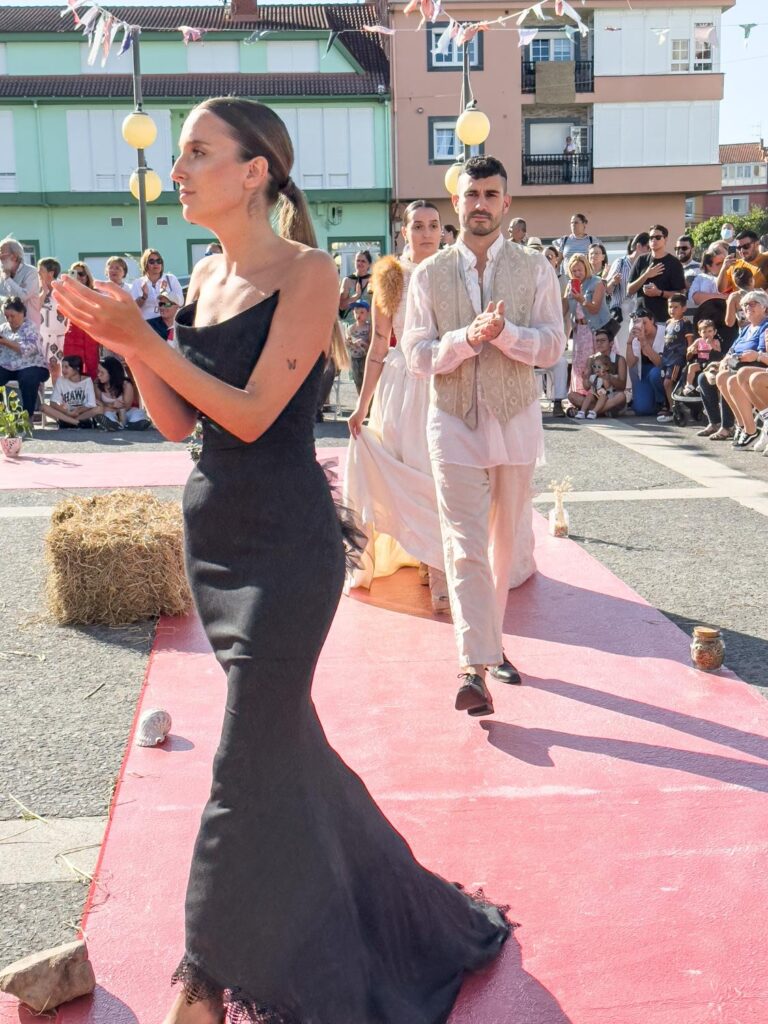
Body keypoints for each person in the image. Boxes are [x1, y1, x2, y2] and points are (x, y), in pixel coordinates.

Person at [53, 96, 511, 1024]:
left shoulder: (308, 274)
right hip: (215, 530)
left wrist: (144, 340)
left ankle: (204, 977)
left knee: (243, 751)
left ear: (256, 170)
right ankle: (406, 910)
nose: (175, 170)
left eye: (196, 153)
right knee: (280, 745)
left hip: (289, 543)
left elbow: (257, 413)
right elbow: (182, 420)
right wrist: (130, 348)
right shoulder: (205, 276)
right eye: (177, 156)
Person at [401, 155, 565, 716]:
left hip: (515, 422)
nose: (480, 205)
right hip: (452, 423)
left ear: (506, 203)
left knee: (504, 546)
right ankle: (473, 667)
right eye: (472, 195)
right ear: (457, 202)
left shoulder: (536, 266)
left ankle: (490, 648)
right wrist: (466, 340)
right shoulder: (427, 274)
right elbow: (415, 354)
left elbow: (552, 346)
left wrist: (506, 334)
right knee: (464, 546)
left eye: (491, 195)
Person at [345, 200, 449, 605]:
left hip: (443, 380)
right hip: (401, 385)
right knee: (409, 470)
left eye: (434, 225)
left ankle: (436, 565)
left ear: (443, 231)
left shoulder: (454, 271)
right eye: (418, 226)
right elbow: (376, 346)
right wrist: (361, 405)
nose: (426, 233)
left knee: (439, 474)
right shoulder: (390, 276)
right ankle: (429, 562)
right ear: (404, 232)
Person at [714, 289, 768, 448]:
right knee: (720, 377)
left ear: (764, 307)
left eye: (753, 303)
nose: (748, 307)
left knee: (738, 377)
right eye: (745, 305)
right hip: (742, 365)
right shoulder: (745, 328)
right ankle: (744, 426)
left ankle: (755, 426)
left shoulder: (765, 326)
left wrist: (756, 356)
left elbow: (760, 353)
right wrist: (724, 360)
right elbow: (732, 349)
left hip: (754, 366)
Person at [563, 252, 610, 410]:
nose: (577, 273)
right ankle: (584, 402)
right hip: (580, 331)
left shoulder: (597, 282)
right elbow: (562, 308)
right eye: (574, 270)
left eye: (580, 270)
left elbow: (595, 308)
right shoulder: (571, 285)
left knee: (598, 366)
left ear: (586, 268)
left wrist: (581, 299)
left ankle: (602, 402)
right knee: (580, 368)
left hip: (596, 331)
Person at [0, 296, 49, 419]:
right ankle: (2, 415)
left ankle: (27, 417)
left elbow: (27, 350)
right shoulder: (3, 328)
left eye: (12, 316)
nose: (9, 319)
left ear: (22, 313)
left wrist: (5, 341)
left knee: (28, 378)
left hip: (33, 365)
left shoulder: (30, 327)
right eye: (7, 316)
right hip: (8, 366)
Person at [627, 224, 686, 325]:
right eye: (651, 238)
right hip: (640, 318)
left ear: (665, 239)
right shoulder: (641, 260)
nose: (654, 240)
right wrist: (646, 275)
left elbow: (680, 295)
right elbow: (629, 290)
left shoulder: (674, 263)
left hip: (663, 319)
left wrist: (659, 292)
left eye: (658, 237)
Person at [606, 232, 650, 359]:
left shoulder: (648, 266)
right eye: (648, 247)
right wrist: (614, 281)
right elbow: (607, 290)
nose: (650, 251)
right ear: (638, 246)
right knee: (624, 351)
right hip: (622, 314)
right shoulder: (621, 263)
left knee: (639, 352)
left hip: (640, 314)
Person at [656, 293, 694, 423]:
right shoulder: (668, 323)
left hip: (677, 359)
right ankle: (672, 406)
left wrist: (689, 356)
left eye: (675, 307)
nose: (672, 310)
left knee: (669, 382)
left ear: (684, 308)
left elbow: (690, 341)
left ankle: (675, 409)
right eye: (670, 307)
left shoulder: (685, 323)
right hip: (667, 358)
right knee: (665, 383)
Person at [131, 249, 184, 337]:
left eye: (158, 261)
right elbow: (133, 308)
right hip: (148, 326)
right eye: (151, 261)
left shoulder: (170, 279)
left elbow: (180, 302)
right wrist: (144, 297)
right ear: (145, 264)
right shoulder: (138, 283)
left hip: (168, 324)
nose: (156, 264)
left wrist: (165, 293)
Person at [63, 262, 101, 379]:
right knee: (72, 368)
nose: (79, 277)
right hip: (73, 333)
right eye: (75, 274)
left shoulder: (95, 293)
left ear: (87, 276)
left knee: (91, 367)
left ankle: (92, 395)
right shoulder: (67, 292)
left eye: (82, 274)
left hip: (90, 333)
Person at [625, 308, 666, 416]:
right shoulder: (635, 333)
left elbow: (659, 363)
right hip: (643, 371)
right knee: (642, 409)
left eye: (645, 322)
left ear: (652, 320)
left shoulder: (664, 332)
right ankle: (651, 402)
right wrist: (629, 342)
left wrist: (643, 342)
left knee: (655, 373)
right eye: (639, 323)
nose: (642, 326)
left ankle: (662, 401)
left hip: (661, 371)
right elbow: (631, 363)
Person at [40, 353, 99, 428]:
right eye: (62, 367)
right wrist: (67, 412)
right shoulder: (61, 380)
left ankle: (69, 422)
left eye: (66, 367)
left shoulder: (87, 380)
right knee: (43, 407)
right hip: (66, 413)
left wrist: (78, 411)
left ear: (77, 369)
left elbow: (91, 403)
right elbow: (53, 403)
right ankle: (77, 423)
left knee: (99, 409)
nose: (63, 370)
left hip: (81, 413)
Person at [94, 355, 149, 430]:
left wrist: (118, 409)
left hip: (126, 412)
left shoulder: (126, 385)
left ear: (112, 373)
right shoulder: (97, 384)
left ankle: (136, 423)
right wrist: (113, 406)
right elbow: (99, 405)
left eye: (102, 372)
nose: (98, 375)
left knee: (136, 413)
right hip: (109, 411)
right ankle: (112, 424)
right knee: (108, 415)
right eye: (98, 371)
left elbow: (127, 406)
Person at [0, 237, 40, 328]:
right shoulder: (1, 274)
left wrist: (8, 279)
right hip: (5, 330)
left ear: (14, 257)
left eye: (1, 256)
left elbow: (22, 297)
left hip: (27, 331)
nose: (0, 260)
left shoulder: (31, 272)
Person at [38, 257, 67, 383]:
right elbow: (34, 309)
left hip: (59, 336)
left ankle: (57, 401)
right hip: (41, 336)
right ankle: (39, 401)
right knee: (39, 371)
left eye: (41, 271)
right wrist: (43, 292)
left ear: (51, 273)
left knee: (56, 370)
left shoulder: (63, 289)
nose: (38, 274)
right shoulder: (36, 289)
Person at [683, 318, 721, 397]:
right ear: (700, 333)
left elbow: (718, 351)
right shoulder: (698, 341)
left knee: (709, 371)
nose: (707, 334)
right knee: (691, 367)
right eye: (704, 332)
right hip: (701, 361)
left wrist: (711, 344)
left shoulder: (716, 341)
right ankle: (688, 385)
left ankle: (703, 385)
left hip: (711, 362)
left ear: (715, 332)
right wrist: (692, 349)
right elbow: (690, 348)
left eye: (710, 331)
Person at [343, 299, 371, 393]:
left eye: (362, 312)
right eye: (356, 312)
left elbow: (371, 343)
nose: (358, 315)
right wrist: (350, 342)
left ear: (368, 313)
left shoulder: (369, 327)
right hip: (354, 357)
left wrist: (364, 343)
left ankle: (368, 402)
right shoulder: (351, 328)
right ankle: (360, 398)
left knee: (366, 380)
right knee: (357, 380)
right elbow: (347, 340)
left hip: (365, 357)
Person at [338, 249, 372, 317]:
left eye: (363, 261)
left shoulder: (373, 280)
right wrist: (356, 296)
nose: (360, 263)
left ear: (369, 264)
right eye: (358, 260)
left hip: (368, 324)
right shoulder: (347, 280)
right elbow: (341, 306)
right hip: (351, 324)